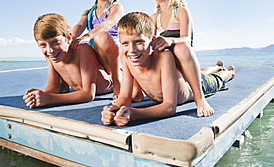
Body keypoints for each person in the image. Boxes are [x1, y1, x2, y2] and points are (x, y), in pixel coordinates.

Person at [101, 12, 235, 126]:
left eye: (139, 42)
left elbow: (170, 106)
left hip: (199, 86)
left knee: (216, 79)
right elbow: (124, 97)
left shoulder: (164, 57)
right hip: (185, 80)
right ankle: (216, 66)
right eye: (125, 43)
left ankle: (227, 72)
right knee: (201, 72)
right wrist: (112, 110)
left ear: (152, 40)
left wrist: (134, 113)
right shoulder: (127, 58)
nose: (132, 50)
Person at [149, 0, 215, 117]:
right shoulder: (154, 17)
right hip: (178, 72)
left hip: (188, 67)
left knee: (214, 79)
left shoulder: (180, 11)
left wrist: (171, 40)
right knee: (204, 72)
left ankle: (223, 74)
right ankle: (217, 66)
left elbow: (186, 39)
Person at [23, 13, 113, 109]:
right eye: (43, 45)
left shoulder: (82, 49)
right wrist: (38, 95)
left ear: (69, 38)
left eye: (55, 42)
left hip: (108, 86)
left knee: (103, 38)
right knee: (62, 88)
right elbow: (53, 87)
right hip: (80, 90)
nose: (50, 50)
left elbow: (88, 94)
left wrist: (50, 99)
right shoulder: (51, 55)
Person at [71, 0, 123, 98]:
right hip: (95, 54)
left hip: (112, 53)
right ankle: (60, 83)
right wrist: (69, 39)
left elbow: (107, 24)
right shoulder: (89, 12)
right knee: (69, 44)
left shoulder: (116, 8)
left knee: (101, 36)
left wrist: (89, 35)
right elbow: (79, 26)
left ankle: (117, 80)